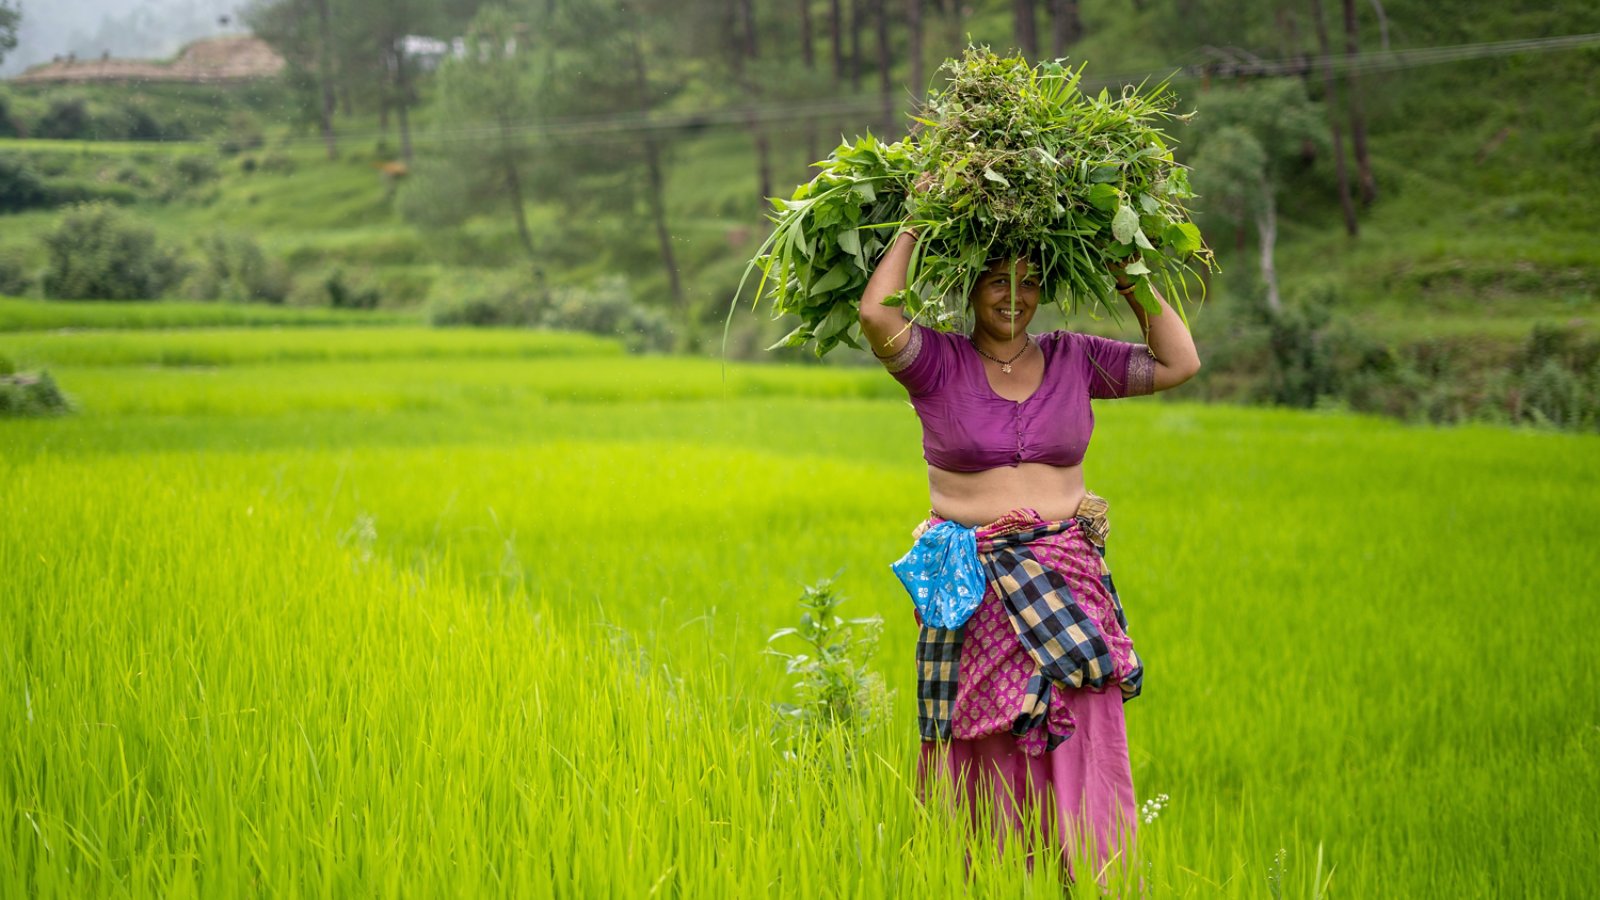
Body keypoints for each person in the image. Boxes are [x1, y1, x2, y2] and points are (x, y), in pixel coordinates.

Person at [858, 226, 1200, 878]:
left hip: (1067, 584)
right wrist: (914, 225)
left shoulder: (1075, 358)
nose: (1014, 297)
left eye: (1030, 282)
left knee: (1077, 736)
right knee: (988, 747)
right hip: (975, 592)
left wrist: (1133, 275)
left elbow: (1179, 363)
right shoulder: (937, 364)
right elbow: (877, 312)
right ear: (972, 288)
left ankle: (1092, 880)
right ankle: (988, 879)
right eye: (998, 282)